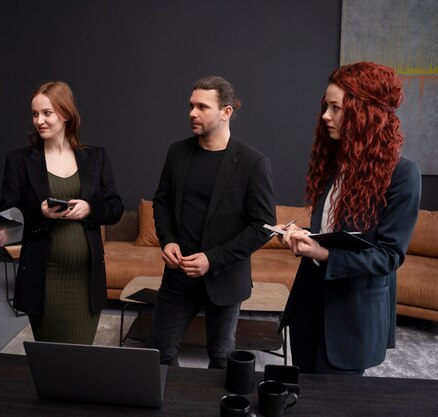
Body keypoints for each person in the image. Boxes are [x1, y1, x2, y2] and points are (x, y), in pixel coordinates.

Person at [278, 62, 421, 375]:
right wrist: (304, 234)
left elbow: (388, 256)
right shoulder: (335, 162)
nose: (325, 116)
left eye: (336, 108)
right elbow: (335, 232)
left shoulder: (402, 175)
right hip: (308, 302)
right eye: (325, 107)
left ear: (365, 114)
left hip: (351, 316)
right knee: (304, 395)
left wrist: (323, 253)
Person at [148, 75, 276, 368]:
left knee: (221, 358)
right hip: (178, 275)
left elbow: (263, 227)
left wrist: (212, 259)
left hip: (224, 277)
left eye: (202, 107)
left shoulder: (252, 163)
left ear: (226, 112)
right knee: (158, 353)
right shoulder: (177, 153)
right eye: (191, 106)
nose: (192, 113)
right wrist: (167, 240)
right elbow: (162, 202)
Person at [0, 81, 123, 344]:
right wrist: (39, 212)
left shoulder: (96, 157)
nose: (39, 121)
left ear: (65, 114)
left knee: (80, 358)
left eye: (47, 113)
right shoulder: (19, 161)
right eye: (34, 114)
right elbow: (6, 216)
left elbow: (115, 208)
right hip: (44, 280)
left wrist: (90, 208)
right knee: (50, 360)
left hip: (85, 280)